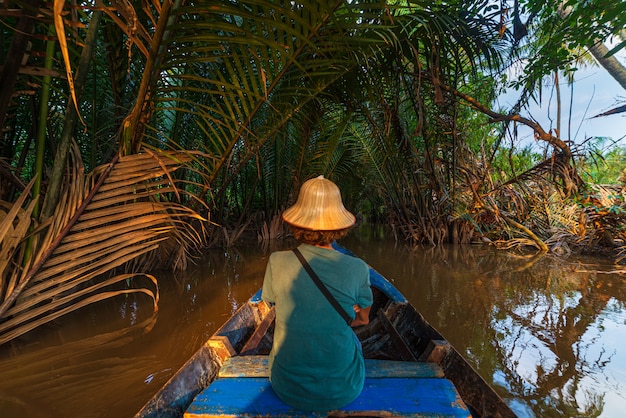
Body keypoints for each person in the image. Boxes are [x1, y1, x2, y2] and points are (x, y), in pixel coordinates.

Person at [261, 175, 373, 412]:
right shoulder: (357, 268)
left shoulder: (277, 261)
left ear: (298, 222)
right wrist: (344, 313)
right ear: (339, 225)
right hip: (344, 390)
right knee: (354, 340)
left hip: (286, 387)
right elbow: (362, 320)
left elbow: (271, 302)